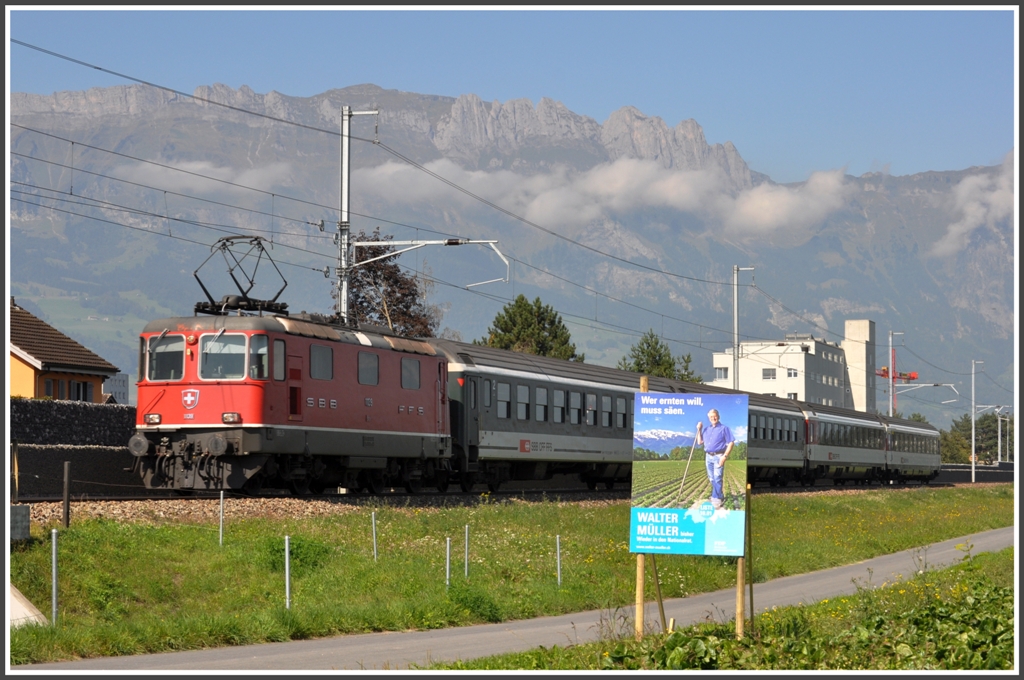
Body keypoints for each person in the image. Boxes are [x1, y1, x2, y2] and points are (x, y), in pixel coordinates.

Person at [696, 408, 734, 509]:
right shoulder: (706, 429)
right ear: (709, 418)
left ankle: (716, 499)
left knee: (717, 478)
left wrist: (724, 456)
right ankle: (719, 495)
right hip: (708, 456)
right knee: (711, 478)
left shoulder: (724, 428)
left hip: (719, 456)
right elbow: (699, 442)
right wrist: (699, 429)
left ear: (718, 416)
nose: (713, 418)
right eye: (711, 417)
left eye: (715, 416)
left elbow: (731, 442)